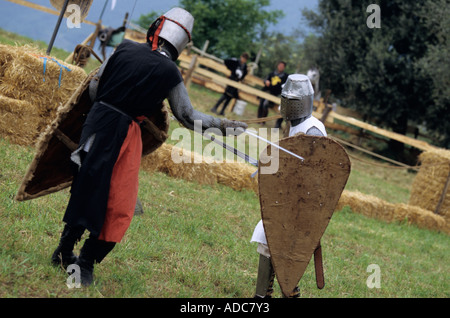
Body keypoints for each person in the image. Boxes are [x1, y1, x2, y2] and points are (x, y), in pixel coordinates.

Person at [51, 7, 248, 287]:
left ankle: (64, 250)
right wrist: (226, 127)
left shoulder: (123, 48)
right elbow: (188, 116)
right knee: (119, 201)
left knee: (88, 188)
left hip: (96, 124)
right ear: (181, 42)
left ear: (157, 28)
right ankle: (84, 264)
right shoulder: (170, 71)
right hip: (123, 134)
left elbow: (94, 89)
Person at [251, 74, 326, 298]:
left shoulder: (313, 130)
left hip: (302, 206)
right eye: (286, 100)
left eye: (292, 102)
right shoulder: (294, 125)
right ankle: (262, 295)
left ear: (304, 102)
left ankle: (285, 294)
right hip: (287, 201)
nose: (288, 106)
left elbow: (317, 173)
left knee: (286, 251)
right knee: (266, 237)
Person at [257, 61, 288, 128]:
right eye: (280, 65)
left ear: (284, 68)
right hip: (267, 91)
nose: (280, 67)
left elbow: (285, 86)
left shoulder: (285, 77)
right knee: (261, 102)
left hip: (275, 94)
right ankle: (259, 119)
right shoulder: (272, 73)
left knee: (265, 104)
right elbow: (265, 80)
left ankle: (263, 120)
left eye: (282, 66)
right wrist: (266, 81)